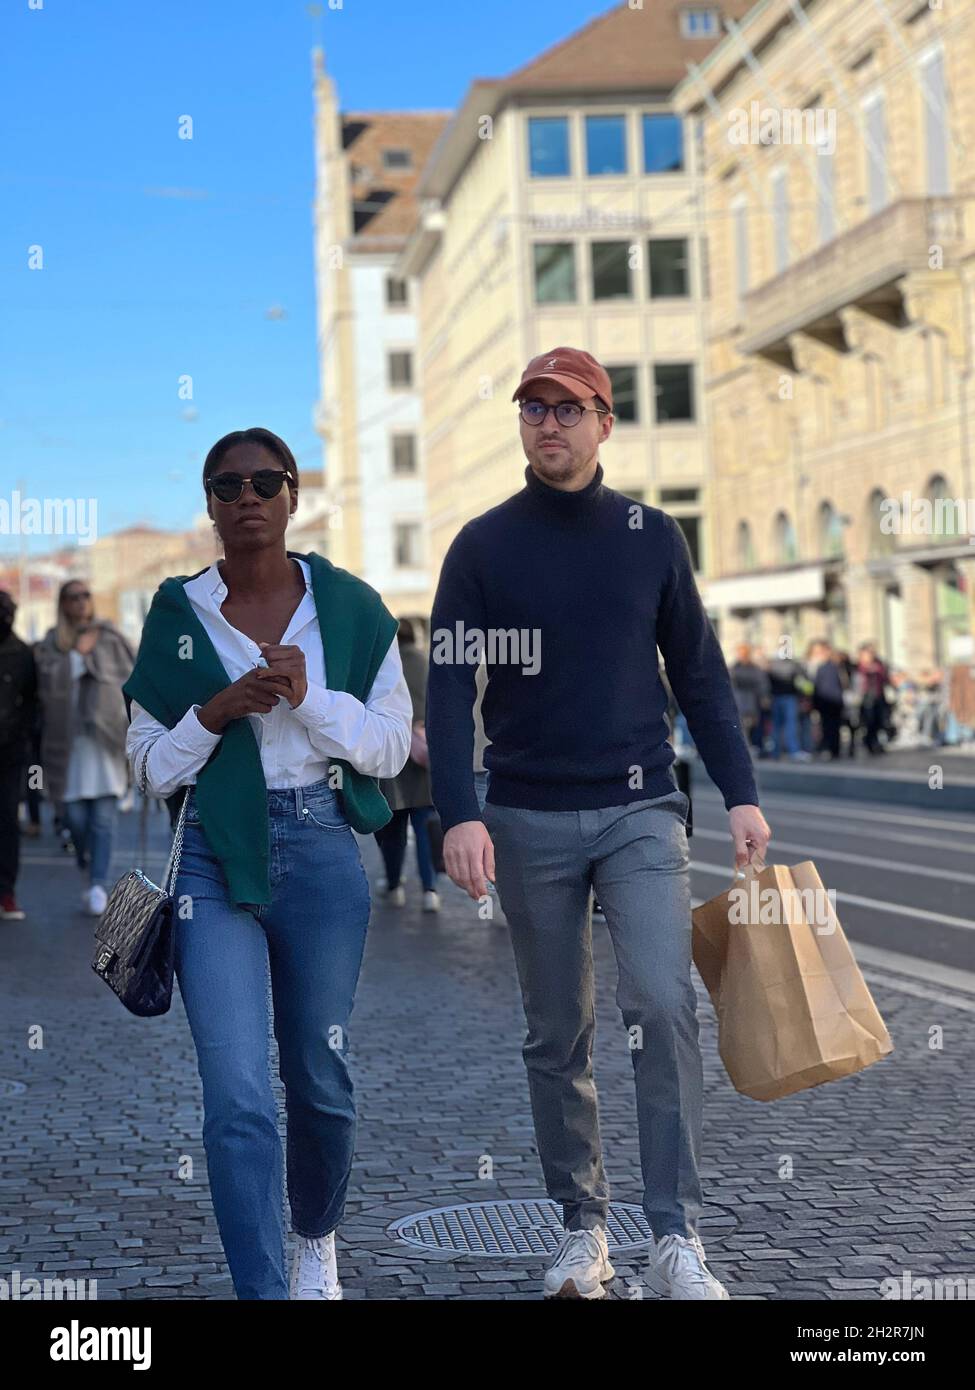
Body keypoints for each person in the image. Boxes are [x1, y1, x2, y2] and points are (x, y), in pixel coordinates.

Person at [425, 347, 771, 1301]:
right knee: (555, 1034)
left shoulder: (652, 537)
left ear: (604, 423)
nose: (549, 424)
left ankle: (675, 1238)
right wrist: (459, 812)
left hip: (640, 810)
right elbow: (449, 690)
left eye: (568, 408)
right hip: (525, 815)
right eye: (532, 408)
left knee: (661, 1005)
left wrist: (739, 792)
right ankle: (583, 1230)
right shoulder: (483, 546)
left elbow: (697, 673)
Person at [122, 427, 412, 1300]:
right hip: (213, 856)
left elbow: (392, 750)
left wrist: (307, 698)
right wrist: (210, 715)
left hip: (322, 850)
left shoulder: (353, 609)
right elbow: (144, 765)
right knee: (239, 1095)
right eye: (227, 486)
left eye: (265, 481)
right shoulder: (178, 616)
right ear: (209, 506)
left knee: (319, 1081)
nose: (246, 497)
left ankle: (314, 1235)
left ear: (292, 498)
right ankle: (263, 1290)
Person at [34, 579, 134, 916]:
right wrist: (78, 655)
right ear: (62, 604)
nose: (80, 602)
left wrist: (95, 657)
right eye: (72, 597)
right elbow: (47, 683)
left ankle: (97, 885)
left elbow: (126, 675)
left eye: (85, 596)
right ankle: (85, 858)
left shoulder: (109, 636)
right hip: (67, 744)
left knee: (103, 820)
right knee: (73, 817)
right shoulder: (52, 643)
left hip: (105, 739)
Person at [374, 617, 440, 912]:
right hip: (425, 756)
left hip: (395, 756)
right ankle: (430, 891)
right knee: (425, 827)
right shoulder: (428, 664)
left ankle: (394, 885)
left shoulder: (384, 666)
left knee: (394, 829)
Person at [0, 591, 38, 920]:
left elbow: (31, 702)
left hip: (9, 751)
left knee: (7, 821)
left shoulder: (22, 654)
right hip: (13, 747)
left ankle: (6, 892)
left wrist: (23, 738)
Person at [729, 644, 769, 758]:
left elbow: (761, 683)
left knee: (753, 726)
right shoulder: (734, 667)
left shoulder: (754, 669)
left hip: (751, 702)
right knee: (741, 726)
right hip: (738, 702)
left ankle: (754, 747)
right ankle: (744, 748)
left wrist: (764, 697)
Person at [813, 645, 848, 760]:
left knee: (827, 727)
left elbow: (816, 686)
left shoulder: (822, 668)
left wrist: (816, 703)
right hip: (835, 702)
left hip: (825, 702)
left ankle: (829, 749)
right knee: (835, 727)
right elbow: (843, 684)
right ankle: (835, 750)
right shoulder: (837, 668)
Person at [856, 642, 890, 755]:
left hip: (879, 696)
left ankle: (877, 743)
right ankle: (870, 743)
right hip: (866, 698)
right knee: (868, 722)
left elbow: (885, 679)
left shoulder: (879, 665)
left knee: (879, 721)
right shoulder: (858, 667)